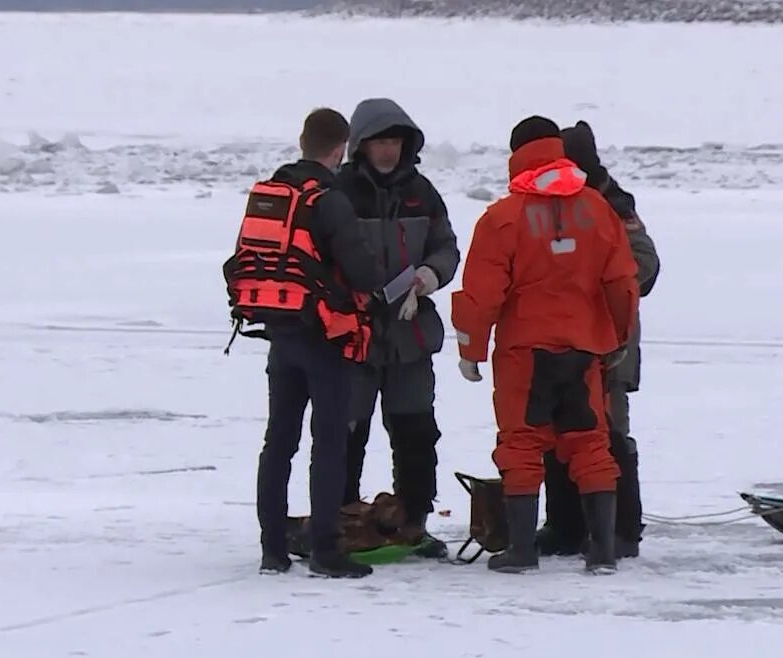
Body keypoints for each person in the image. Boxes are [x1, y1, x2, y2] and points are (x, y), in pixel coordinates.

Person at [450, 116, 640, 574]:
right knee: (591, 443)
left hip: (525, 353)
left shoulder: (502, 218)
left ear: (517, 155)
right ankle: (603, 550)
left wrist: (471, 351)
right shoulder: (598, 210)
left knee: (521, 443)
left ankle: (521, 550)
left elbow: (481, 295)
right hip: (584, 348)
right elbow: (622, 282)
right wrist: (619, 337)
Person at [223, 107, 385, 579]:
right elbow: (362, 272)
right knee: (328, 443)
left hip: (280, 331)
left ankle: (272, 549)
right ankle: (325, 551)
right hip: (324, 336)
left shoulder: (270, 195)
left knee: (279, 441)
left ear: (302, 142)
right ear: (341, 149)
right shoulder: (328, 201)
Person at [332, 98, 461, 558]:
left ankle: (413, 521)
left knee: (416, 431)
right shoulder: (339, 193)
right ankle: (341, 519)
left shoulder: (422, 193)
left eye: (395, 142)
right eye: (380, 141)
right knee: (346, 431)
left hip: (411, 335)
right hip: (354, 335)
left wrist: (430, 275)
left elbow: (446, 246)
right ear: (361, 145)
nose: (388, 150)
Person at [536, 120, 661, 559]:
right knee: (558, 432)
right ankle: (566, 526)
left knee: (609, 435)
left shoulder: (614, 206)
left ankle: (622, 529)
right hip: (561, 340)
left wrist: (595, 283)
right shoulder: (550, 206)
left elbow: (646, 265)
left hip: (609, 346)